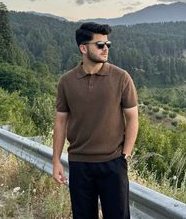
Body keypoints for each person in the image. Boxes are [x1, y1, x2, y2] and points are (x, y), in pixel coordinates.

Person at [53, 22, 139, 219]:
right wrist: (56, 161)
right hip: (79, 164)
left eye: (108, 44)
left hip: (113, 164)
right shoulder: (66, 81)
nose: (105, 49)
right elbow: (60, 122)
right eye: (100, 45)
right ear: (83, 48)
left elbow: (133, 118)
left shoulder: (121, 77)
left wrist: (125, 155)